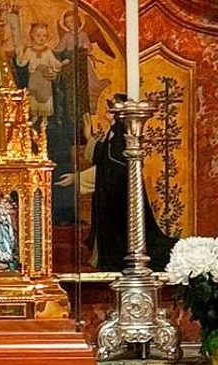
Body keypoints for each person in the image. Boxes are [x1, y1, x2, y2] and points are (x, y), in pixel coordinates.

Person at [59, 96, 176, 271]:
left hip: (119, 197)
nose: (105, 112)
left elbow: (113, 163)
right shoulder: (113, 132)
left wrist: (78, 176)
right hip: (111, 195)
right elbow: (103, 157)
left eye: (109, 109)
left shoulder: (123, 135)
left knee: (127, 234)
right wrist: (89, 137)